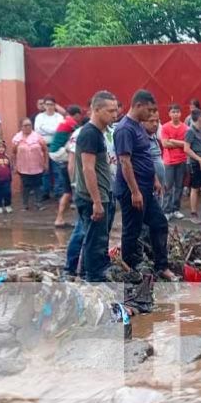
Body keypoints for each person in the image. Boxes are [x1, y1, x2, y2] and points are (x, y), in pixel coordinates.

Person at [114, 89, 175, 281]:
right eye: (148, 110)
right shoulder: (125, 129)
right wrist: (135, 191)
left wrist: (155, 180)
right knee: (132, 231)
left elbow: (145, 155)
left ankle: (161, 266)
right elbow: (125, 162)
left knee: (159, 223)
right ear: (138, 105)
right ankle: (129, 271)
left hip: (146, 188)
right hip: (133, 190)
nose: (151, 115)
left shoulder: (139, 126)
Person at [72, 91, 118, 282]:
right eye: (110, 111)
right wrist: (97, 202)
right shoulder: (90, 134)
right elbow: (88, 169)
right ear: (96, 110)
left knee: (97, 238)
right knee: (95, 241)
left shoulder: (98, 133)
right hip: (93, 197)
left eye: (116, 110)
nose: (115, 115)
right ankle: (94, 278)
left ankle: (87, 273)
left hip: (102, 194)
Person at [52, 105, 83, 228]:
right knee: (75, 194)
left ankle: (59, 219)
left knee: (67, 193)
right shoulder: (73, 125)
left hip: (60, 158)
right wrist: (73, 179)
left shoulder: (65, 122)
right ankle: (78, 222)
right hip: (62, 157)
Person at [12, 118, 48, 211]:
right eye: (25, 125)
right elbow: (13, 153)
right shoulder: (17, 138)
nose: (28, 127)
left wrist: (46, 163)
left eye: (29, 125)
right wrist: (14, 166)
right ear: (21, 127)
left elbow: (45, 150)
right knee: (25, 186)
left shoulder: (38, 137)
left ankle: (39, 203)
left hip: (37, 165)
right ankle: (25, 204)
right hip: (23, 167)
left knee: (38, 185)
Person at [161, 103, 188, 220]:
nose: (175, 114)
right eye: (173, 112)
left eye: (177, 112)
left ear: (181, 114)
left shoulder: (186, 128)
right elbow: (165, 144)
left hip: (182, 160)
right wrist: (180, 143)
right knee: (168, 187)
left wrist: (173, 141)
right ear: (169, 114)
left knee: (179, 186)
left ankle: (175, 209)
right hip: (169, 161)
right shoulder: (165, 127)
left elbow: (187, 144)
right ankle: (166, 210)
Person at [34, 95, 64, 201]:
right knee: (44, 170)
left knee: (57, 170)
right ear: (44, 106)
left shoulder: (59, 117)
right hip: (43, 146)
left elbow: (59, 130)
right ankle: (45, 192)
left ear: (54, 105)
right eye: (47, 104)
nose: (49, 106)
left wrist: (44, 128)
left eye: (51, 104)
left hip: (56, 146)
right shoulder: (39, 117)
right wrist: (52, 130)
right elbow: (37, 130)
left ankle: (58, 192)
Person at [141, 108, 165, 205]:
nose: (155, 124)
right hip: (150, 186)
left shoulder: (153, 135)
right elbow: (146, 162)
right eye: (151, 121)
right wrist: (155, 180)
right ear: (142, 122)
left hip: (159, 186)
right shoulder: (141, 140)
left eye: (157, 121)